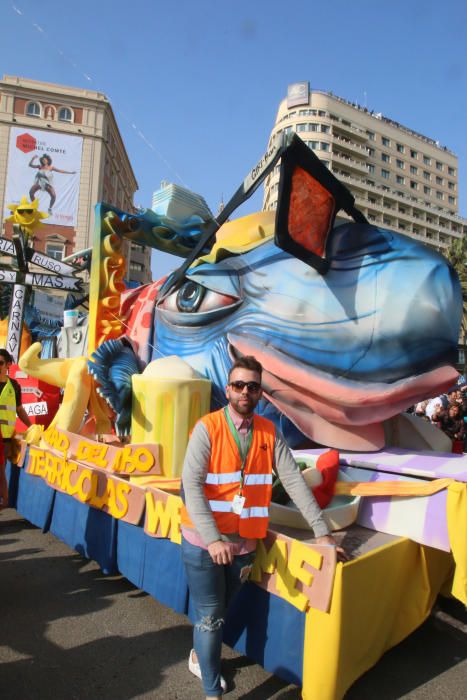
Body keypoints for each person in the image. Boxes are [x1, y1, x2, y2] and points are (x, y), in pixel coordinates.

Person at [180, 355, 346, 699]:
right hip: (203, 543)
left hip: (244, 545)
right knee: (211, 615)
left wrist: (322, 532)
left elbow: (294, 481)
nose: (245, 391)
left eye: (252, 387)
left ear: (259, 393)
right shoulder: (206, 428)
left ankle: (200, 654)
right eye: (239, 385)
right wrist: (213, 539)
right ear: (228, 390)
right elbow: (190, 485)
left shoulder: (269, 432)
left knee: (222, 610)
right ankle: (212, 691)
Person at [0, 349, 32, 510]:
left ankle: (4, 503)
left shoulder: (14, 385)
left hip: (5, 437)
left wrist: (32, 428)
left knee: (1, 471)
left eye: (0, 363)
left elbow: (19, 409)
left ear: (8, 365)